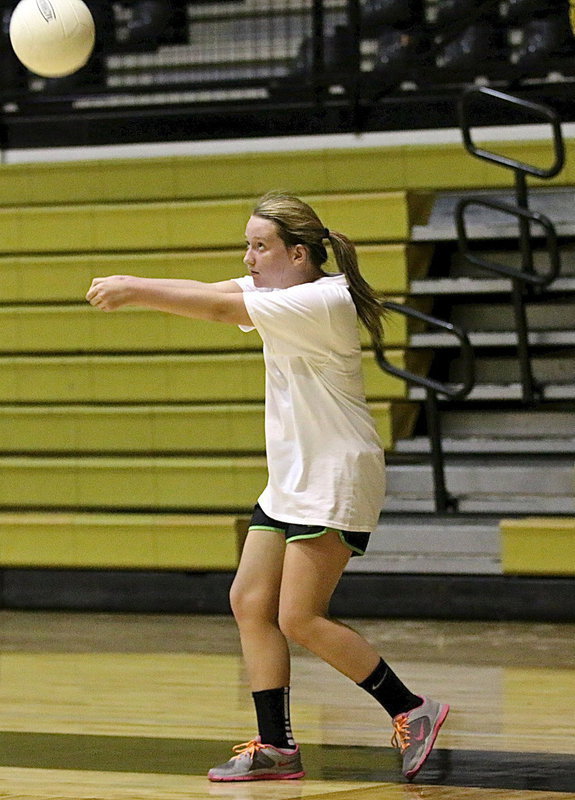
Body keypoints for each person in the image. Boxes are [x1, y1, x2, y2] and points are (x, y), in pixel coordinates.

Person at [86, 191, 449, 782]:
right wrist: (140, 284)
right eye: (248, 245)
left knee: (300, 617)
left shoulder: (320, 299)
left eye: (260, 246)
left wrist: (131, 286)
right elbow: (215, 293)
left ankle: (412, 709)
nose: (249, 258)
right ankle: (276, 745)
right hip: (292, 475)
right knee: (250, 602)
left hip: (335, 474)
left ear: (298, 253)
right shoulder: (280, 290)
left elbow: (213, 310)